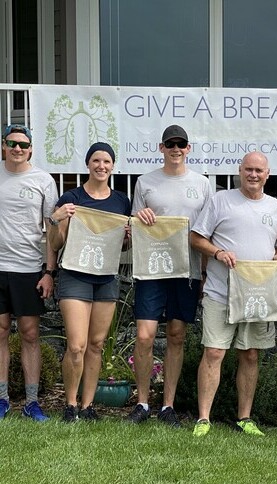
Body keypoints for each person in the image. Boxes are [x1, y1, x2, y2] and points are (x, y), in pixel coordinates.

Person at [190, 152, 277, 436]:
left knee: (251, 354)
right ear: (240, 171)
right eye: (248, 170)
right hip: (221, 292)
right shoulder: (221, 200)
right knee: (214, 351)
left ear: (268, 174)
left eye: (259, 170)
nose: (253, 175)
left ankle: (244, 418)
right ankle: (203, 418)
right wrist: (218, 252)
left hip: (257, 294)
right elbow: (196, 237)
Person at [128, 125, 214, 427]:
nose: (176, 149)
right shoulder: (144, 182)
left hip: (187, 271)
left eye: (181, 144)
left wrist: (204, 273)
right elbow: (134, 224)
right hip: (151, 270)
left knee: (176, 336)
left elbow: (205, 232)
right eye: (170, 144)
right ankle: (142, 402)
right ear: (161, 148)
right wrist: (139, 216)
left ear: (188, 149)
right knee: (144, 336)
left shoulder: (202, 184)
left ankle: (167, 406)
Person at [47, 142, 131, 422]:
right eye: (96, 160)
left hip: (106, 277)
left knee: (96, 344)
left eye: (107, 161)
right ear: (88, 164)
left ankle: (88, 405)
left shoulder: (121, 201)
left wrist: (127, 237)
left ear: (113, 166)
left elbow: (120, 247)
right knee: (76, 345)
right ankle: (70, 405)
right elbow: (57, 243)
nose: (101, 166)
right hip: (74, 275)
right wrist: (55, 220)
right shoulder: (71, 197)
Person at [0, 124, 59, 421]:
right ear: (3, 145)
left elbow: (52, 229)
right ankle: (2, 399)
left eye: (23, 145)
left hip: (28, 268)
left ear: (31, 149)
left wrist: (49, 272)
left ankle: (32, 402)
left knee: (30, 333)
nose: (17, 149)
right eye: (12, 143)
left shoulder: (43, 180)